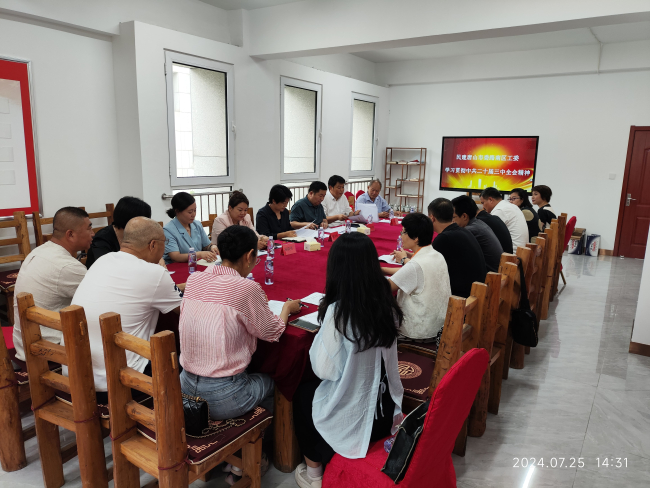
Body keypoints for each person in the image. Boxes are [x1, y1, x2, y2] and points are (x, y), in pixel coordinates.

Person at [293, 233, 404, 488]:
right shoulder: (387, 304)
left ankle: (314, 475)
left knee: (302, 396)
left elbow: (323, 369)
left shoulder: (338, 312)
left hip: (356, 421)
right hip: (386, 413)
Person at [179, 225, 301, 420]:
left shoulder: (194, 279)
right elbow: (273, 331)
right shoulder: (246, 287)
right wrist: (287, 308)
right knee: (281, 381)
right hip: (223, 397)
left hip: (184, 387)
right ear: (249, 255)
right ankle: (267, 443)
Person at [70, 217, 184, 401]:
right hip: (120, 383)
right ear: (153, 245)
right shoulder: (154, 273)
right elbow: (187, 313)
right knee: (184, 363)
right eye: (165, 243)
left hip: (77, 378)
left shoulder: (103, 260)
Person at [12, 207, 94, 361]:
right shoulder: (67, 266)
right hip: (48, 348)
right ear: (70, 234)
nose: (93, 233)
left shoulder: (39, 251)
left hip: (24, 343)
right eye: (89, 228)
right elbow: (102, 300)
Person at [382, 213, 450, 342]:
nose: (401, 236)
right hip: (439, 324)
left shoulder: (415, 265)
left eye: (403, 232)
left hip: (420, 330)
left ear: (416, 238)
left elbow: (385, 288)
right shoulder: (436, 254)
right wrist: (381, 269)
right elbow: (408, 272)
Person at [428, 198, 487, 298]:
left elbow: (425, 268)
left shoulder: (444, 238)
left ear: (432, 217)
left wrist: (404, 259)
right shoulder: (462, 231)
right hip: (476, 292)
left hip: (461, 300)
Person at [85, 196, 151, 268]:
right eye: (143, 221)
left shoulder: (137, 235)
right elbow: (106, 268)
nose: (145, 226)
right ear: (130, 220)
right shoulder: (101, 240)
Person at [163, 192, 218, 264]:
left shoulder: (197, 224)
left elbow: (206, 245)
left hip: (198, 264)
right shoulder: (168, 230)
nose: (194, 215)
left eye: (195, 210)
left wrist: (212, 247)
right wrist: (199, 254)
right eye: (190, 212)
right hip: (178, 267)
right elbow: (175, 257)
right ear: (177, 211)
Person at [452, 195, 503, 272]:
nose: (452, 221)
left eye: (453, 217)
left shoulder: (470, 230)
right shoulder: (478, 223)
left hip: (490, 278)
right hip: (496, 272)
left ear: (464, 216)